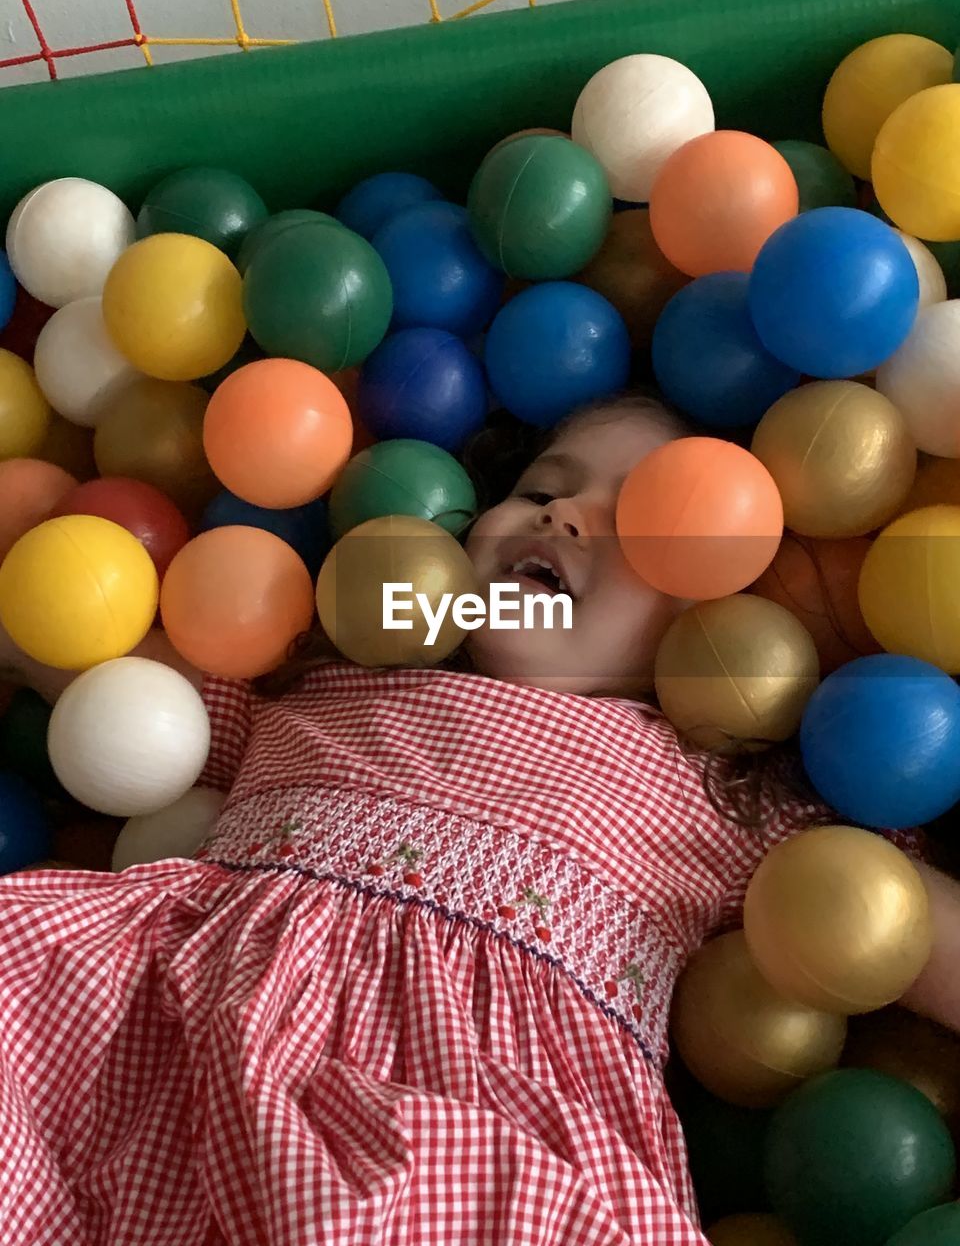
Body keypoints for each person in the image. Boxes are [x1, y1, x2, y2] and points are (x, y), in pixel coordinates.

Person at [0, 391, 957, 1246]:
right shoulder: (328, 674)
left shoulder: (712, 783)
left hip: (470, 1109)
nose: (564, 514)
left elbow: (884, 919)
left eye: (643, 520)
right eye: (544, 484)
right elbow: (127, 701)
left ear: (714, 624)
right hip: (174, 1016)